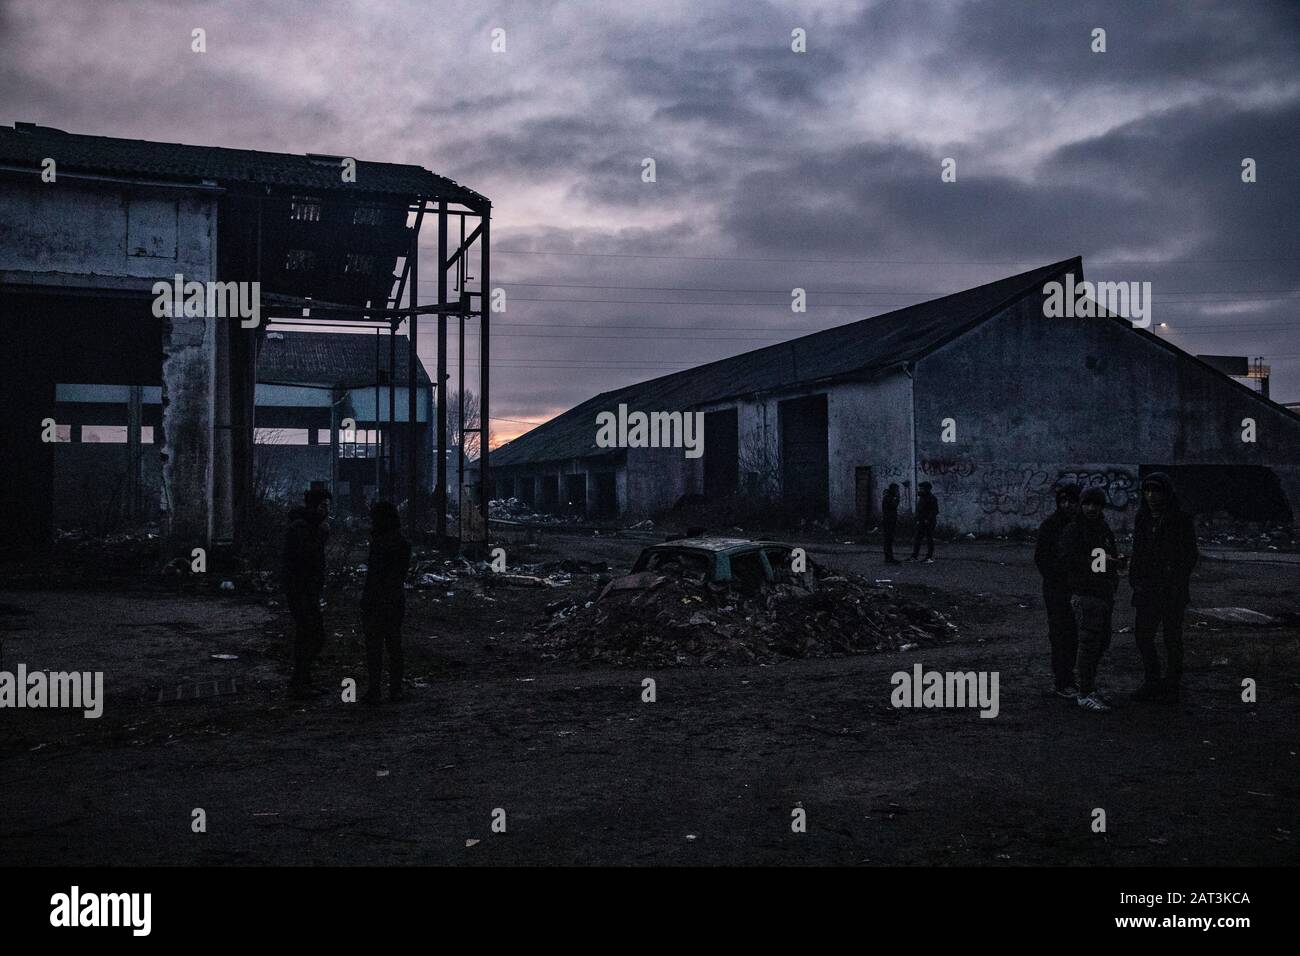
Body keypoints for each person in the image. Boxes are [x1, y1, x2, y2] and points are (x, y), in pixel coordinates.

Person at [1129, 472, 1198, 703]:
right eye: (1147, 491)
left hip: (1171, 591)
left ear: (1166, 493)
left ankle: (1171, 682)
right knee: (1143, 636)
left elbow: (1189, 556)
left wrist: (1175, 580)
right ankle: (1153, 680)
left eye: (1155, 490)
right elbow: (1138, 553)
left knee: (1172, 638)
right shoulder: (1143, 518)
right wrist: (1135, 579)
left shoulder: (1180, 519)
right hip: (1147, 589)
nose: (1151, 496)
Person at [1059, 487, 1123, 712]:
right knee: (1088, 645)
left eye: (1096, 504)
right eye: (1087, 504)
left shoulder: (1103, 529)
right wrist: (1100, 562)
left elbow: (1108, 555)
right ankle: (1084, 692)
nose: (1091, 508)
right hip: (1086, 594)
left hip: (1103, 593)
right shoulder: (1074, 530)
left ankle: (1089, 688)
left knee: (1099, 644)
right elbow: (1069, 560)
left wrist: (1114, 566)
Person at [360, 501, 412, 704]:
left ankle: (375, 689)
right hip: (394, 598)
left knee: (374, 646)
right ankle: (395, 688)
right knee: (394, 644)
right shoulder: (402, 544)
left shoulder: (378, 543)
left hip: (376, 599)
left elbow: (373, 576)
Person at [283, 486, 332, 697]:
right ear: (313, 506)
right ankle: (299, 681)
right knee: (312, 634)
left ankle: (303, 679)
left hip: (305, 589)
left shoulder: (307, 526)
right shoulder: (302, 528)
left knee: (308, 634)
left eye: (327, 506)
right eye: (323, 506)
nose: (326, 511)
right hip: (301, 589)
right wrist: (321, 537)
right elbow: (305, 559)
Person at [1034, 484, 1080, 698]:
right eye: (1063, 501)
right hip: (1058, 590)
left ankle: (1072, 678)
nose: (1067, 505)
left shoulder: (1084, 525)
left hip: (1079, 589)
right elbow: (1042, 559)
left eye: (1071, 501)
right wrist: (1058, 579)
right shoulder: (1051, 526)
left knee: (1077, 635)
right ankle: (1063, 680)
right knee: (1062, 634)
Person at [910, 481, 938, 562]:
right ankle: (914, 556)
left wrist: (928, 519)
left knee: (929, 538)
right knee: (918, 538)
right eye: (920, 488)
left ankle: (929, 556)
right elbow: (920, 510)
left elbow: (935, 511)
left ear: (927, 489)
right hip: (921, 521)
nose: (920, 490)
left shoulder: (932, 498)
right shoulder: (922, 498)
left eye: (922, 488)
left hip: (928, 522)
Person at [881, 483, 902, 564]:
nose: (897, 491)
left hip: (888, 520)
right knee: (888, 540)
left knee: (888, 540)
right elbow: (894, 506)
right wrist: (898, 498)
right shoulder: (888, 498)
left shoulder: (887, 497)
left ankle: (889, 557)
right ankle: (889, 558)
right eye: (897, 490)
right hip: (889, 521)